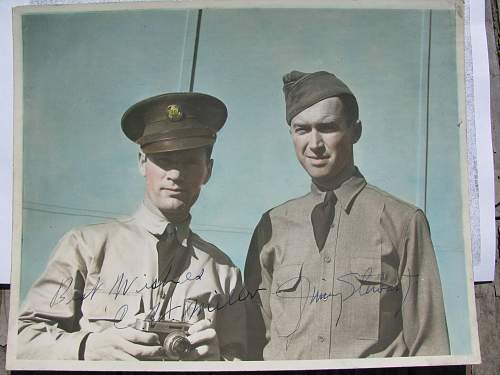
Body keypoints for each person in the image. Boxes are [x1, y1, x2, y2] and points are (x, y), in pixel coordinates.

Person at [17, 92, 246, 361]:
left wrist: (219, 362)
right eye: (164, 160)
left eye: (189, 162)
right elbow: (22, 339)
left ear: (207, 170)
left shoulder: (225, 272)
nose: (175, 174)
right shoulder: (85, 246)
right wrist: (87, 347)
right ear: (142, 163)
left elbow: (242, 357)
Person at [244, 70, 450, 360]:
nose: (314, 144)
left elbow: (431, 347)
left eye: (327, 127)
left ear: (355, 131)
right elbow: (252, 342)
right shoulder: (271, 226)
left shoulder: (403, 222)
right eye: (302, 129)